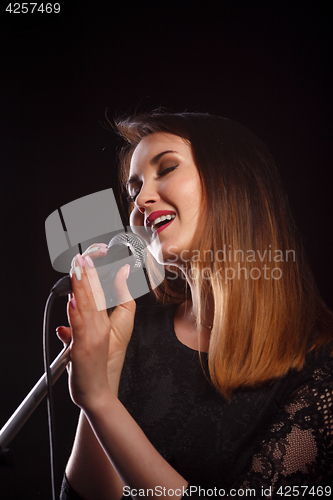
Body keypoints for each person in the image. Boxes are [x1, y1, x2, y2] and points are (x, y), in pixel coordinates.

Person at [58, 112, 333, 500]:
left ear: (235, 185)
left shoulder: (321, 364)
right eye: (133, 189)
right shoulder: (135, 330)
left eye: (166, 168)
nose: (140, 200)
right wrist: (106, 374)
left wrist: (101, 402)